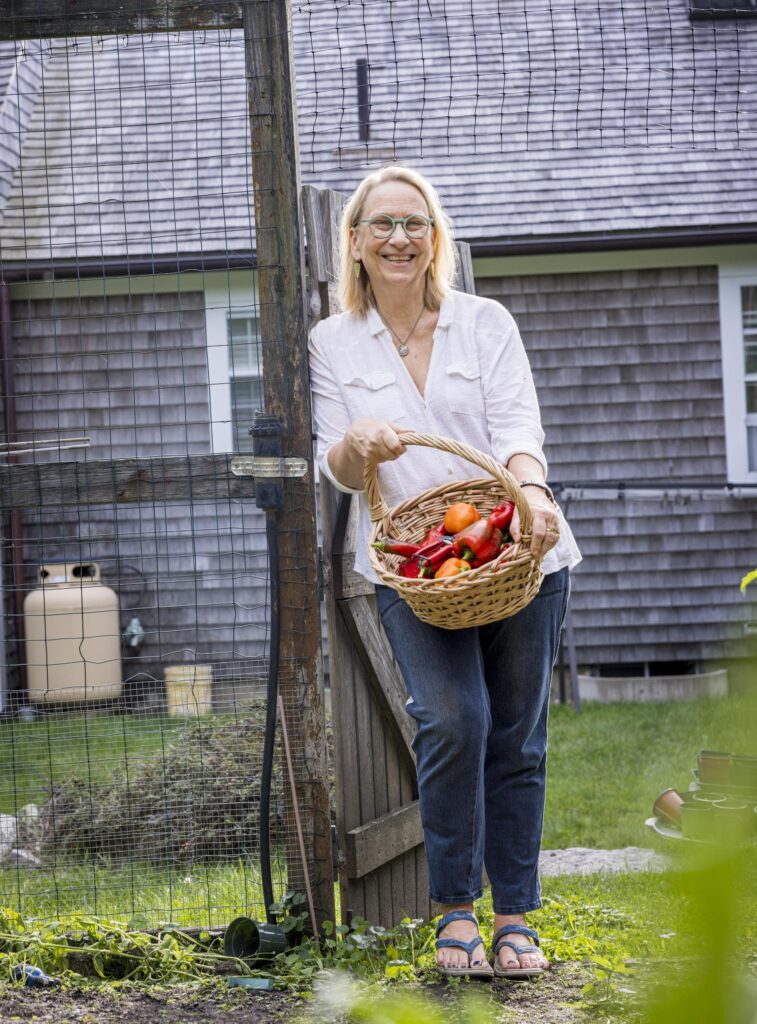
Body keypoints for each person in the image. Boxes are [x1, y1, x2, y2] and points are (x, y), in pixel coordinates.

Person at [308, 165, 581, 980]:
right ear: (354, 242)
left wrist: (531, 493)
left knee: (516, 737)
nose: (399, 238)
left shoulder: (483, 322)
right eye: (382, 224)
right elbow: (335, 463)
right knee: (452, 720)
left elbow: (517, 424)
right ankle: (455, 909)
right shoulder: (333, 341)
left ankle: (516, 917)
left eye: (414, 223)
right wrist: (357, 444)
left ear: (435, 239)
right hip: (413, 569)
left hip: (518, 555)